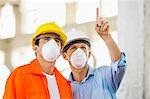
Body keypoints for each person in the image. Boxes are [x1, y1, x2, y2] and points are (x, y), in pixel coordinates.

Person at [62, 8, 127, 99]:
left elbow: (120, 64)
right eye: (73, 48)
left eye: (83, 48)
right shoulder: (63, 88)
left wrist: (106, 36)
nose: (79, 52)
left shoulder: (104, 77)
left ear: (88, 54)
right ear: (65, 56)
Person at [3, 22, 72, 99]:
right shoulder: (20, 76)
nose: (52, 43)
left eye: (56, 40)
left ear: (60, 50)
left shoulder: (65, 84)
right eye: (46, 39)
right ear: (35, 48)